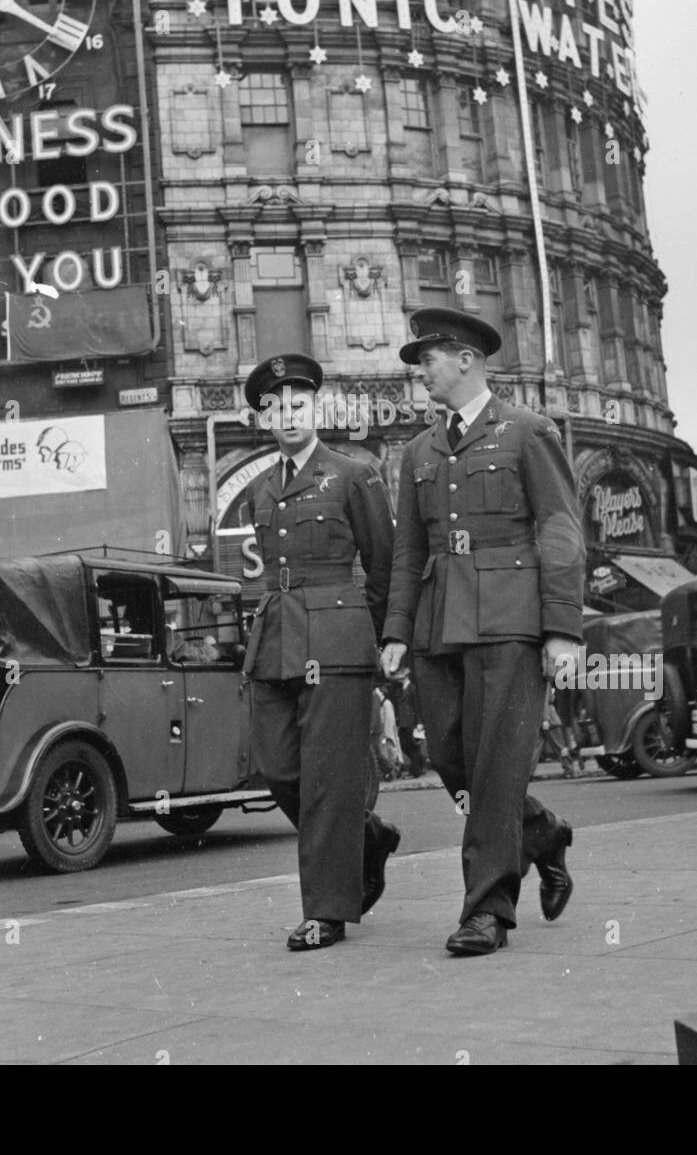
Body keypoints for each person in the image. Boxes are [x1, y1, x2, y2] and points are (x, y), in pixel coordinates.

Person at [380, 308, 583, 956]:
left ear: (465, 358)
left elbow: (559, 532)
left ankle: (486, 912)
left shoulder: (526, 432)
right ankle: (542, 833)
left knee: (495, 770)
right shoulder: (418, 450)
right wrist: (394, 631)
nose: (421, 372)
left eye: (428, 359)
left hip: (509, 622)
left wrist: (561, 630)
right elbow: (407, 554)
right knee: (451, 760)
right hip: (440, 627)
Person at [240, 352, 401, 951]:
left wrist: (388, 641)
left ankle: (327, 912)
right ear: (263, 418)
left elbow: (382, 566)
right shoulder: (259, 489)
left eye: (297, 404)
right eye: (275, 406)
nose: (287, 414)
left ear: (317, 408)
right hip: (278, 637)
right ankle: (367, 837)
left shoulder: (353, 474)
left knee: (330, 779)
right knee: (277, 765)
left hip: (337, 637)